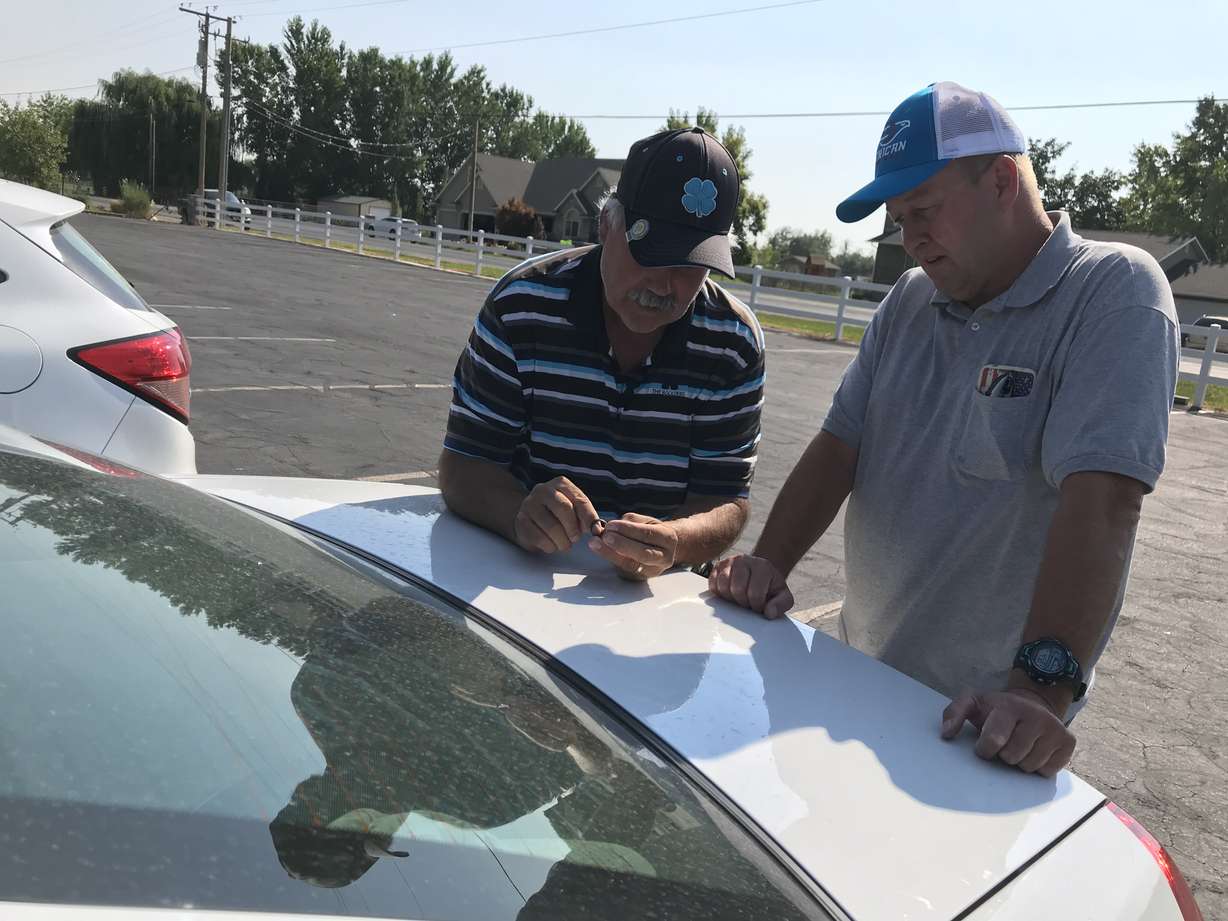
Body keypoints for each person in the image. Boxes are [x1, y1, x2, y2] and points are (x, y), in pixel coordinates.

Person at [709, 82, 1179, 777]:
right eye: (899, 220)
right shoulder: (910, 300)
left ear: (1001, 181)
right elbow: (840, 446)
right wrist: (768, 563)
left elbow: (1104, 504)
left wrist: (1038, 693)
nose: (910, 239)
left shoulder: (1112, 292)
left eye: (924, 210)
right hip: (854, 679)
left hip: (981, 728)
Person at [438, 127, 765, 580]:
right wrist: (517, 513)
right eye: (650, 253)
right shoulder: (522, 307)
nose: (664, 283)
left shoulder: (733, 343)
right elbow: (463, 465)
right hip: (515, 581)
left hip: (655, 605)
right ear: (606, 225)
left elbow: (726, 499)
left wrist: (674, 541)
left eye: (691, 264)